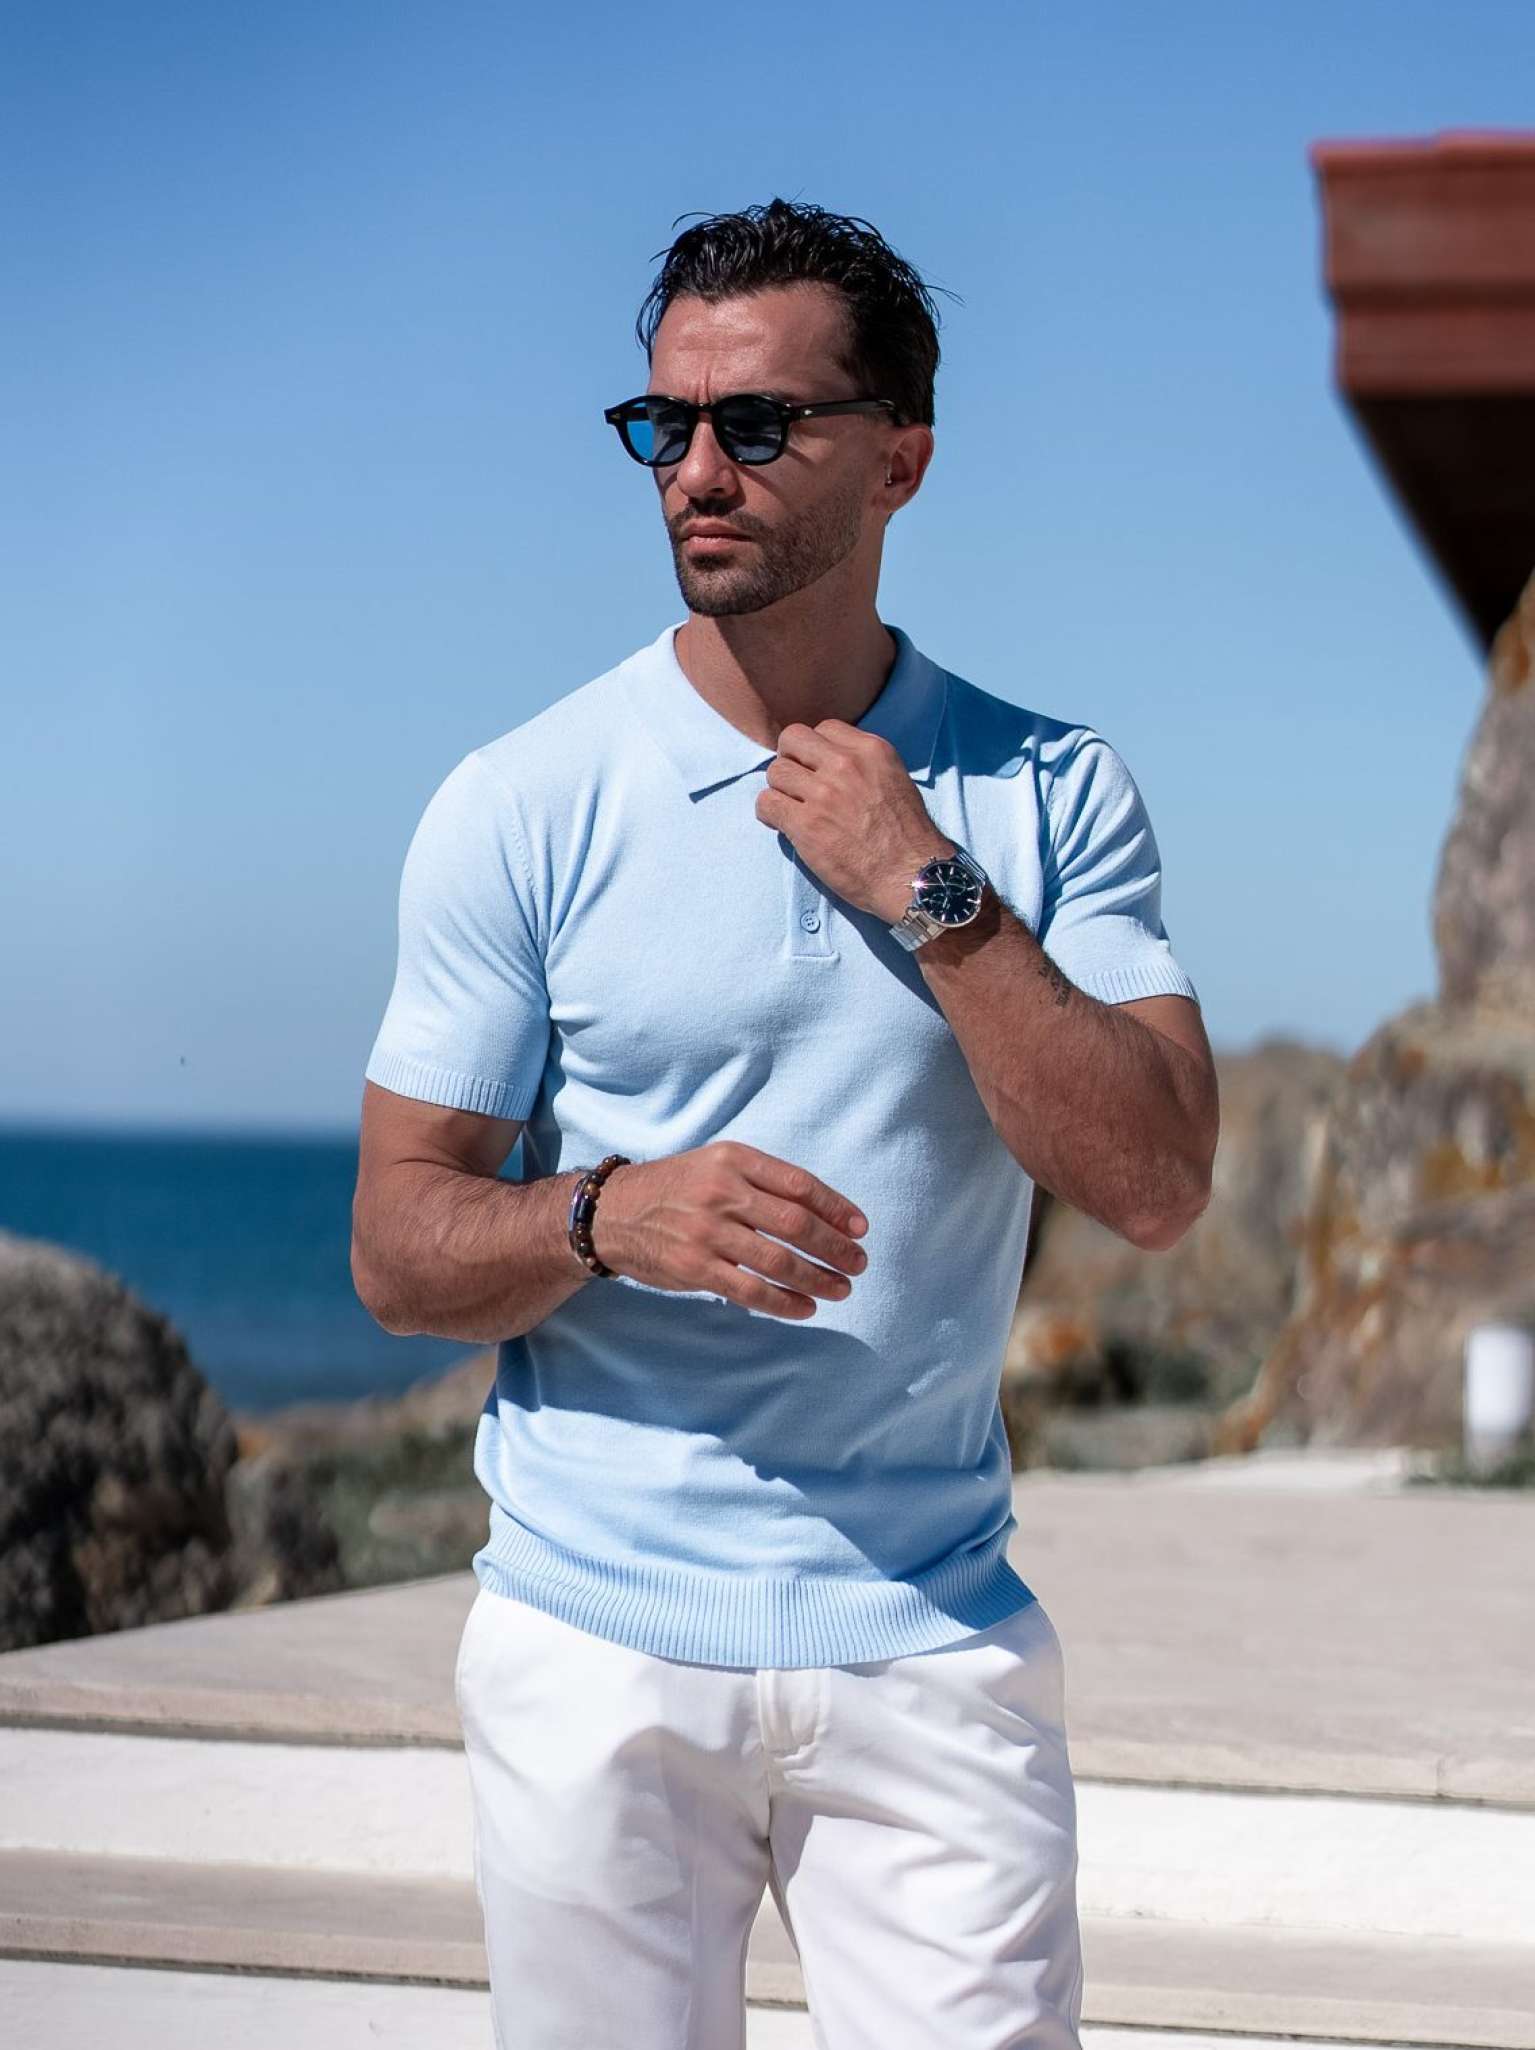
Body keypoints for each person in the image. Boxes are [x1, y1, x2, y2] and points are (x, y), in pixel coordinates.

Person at [352, 196, 1218, 2050]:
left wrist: (928, 886)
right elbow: (399, 1247)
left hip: (933, 1639)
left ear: (899, 458)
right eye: (663, 424)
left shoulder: (1049, 791)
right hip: (591, 1645)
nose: (696, 472)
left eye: (757, 424)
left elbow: (1154, 1176)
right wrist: (605, 1215)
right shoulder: (522, 801)